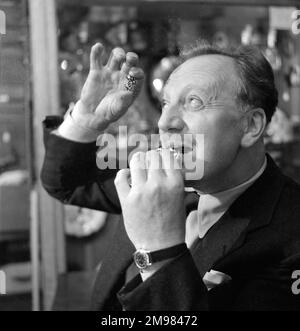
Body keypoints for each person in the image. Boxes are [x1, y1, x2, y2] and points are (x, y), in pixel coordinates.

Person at [41, 41, 300, 310]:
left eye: (193, 102)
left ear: (251, 125)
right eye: (166, 103)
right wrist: (88, 116)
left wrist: (160, 250)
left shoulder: (291, 240)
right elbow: (65, 182)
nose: (165, 122)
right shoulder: (157, 171)